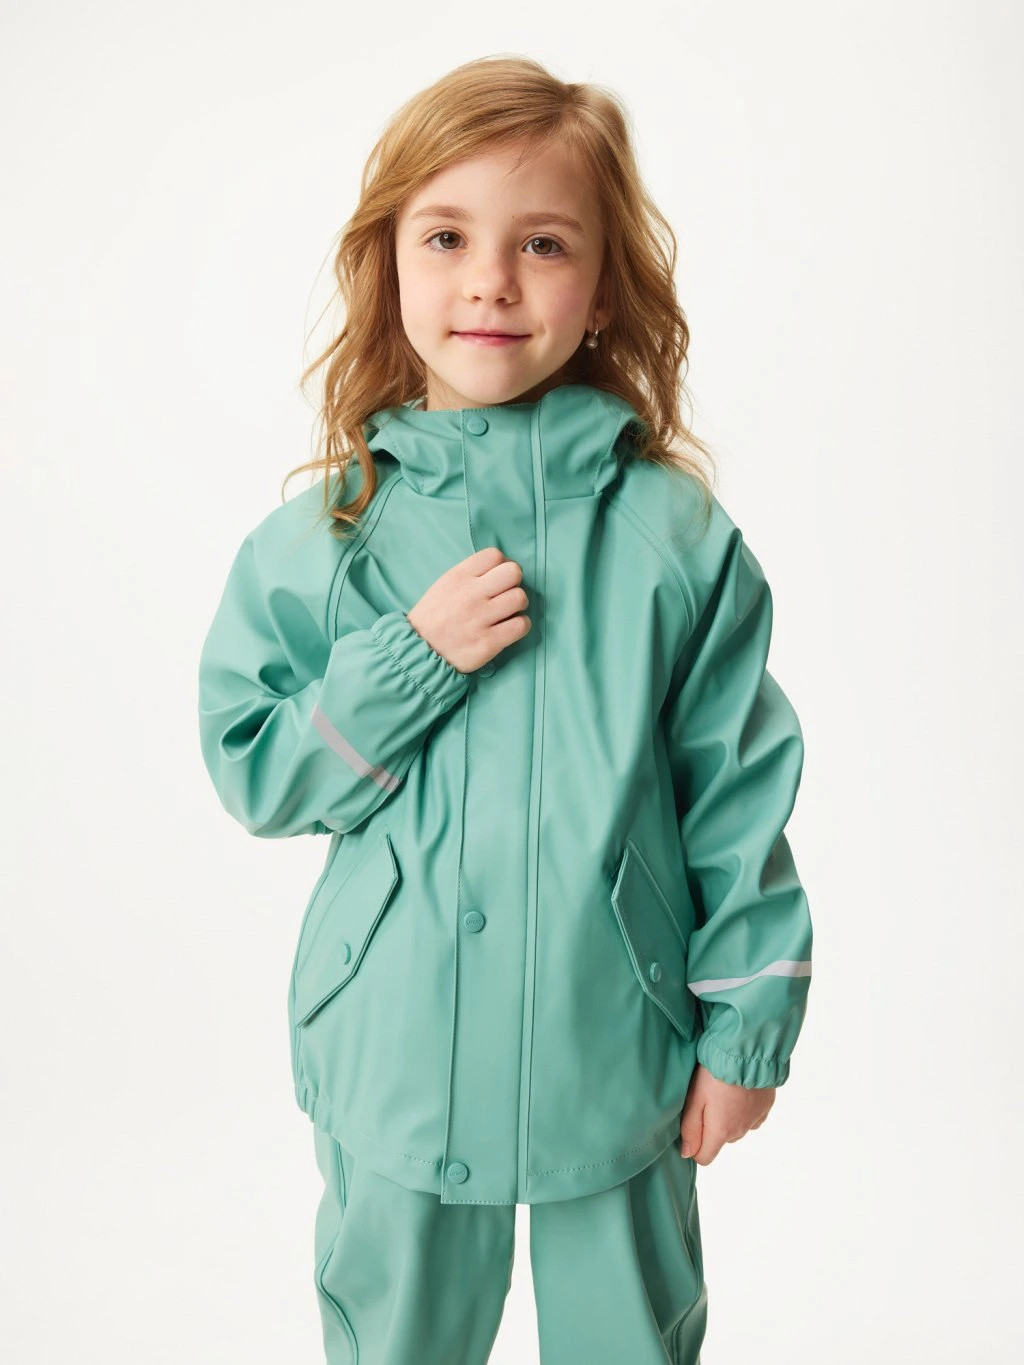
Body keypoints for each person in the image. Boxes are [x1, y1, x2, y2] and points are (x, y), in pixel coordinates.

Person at [197, 53, 813, 1365]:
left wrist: (747, 1026)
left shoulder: (672, 539)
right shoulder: (327, 540)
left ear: (603, 288)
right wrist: (408, 661)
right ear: (389, 266)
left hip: (622, 1039)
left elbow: (736, 794)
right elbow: (256, 768)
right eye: (447, 237)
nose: (489, 280)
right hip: (397, 1046)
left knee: (629, 1340)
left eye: (542, 243)